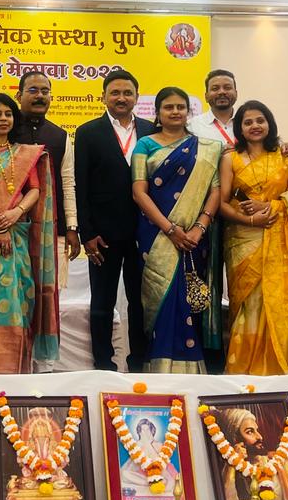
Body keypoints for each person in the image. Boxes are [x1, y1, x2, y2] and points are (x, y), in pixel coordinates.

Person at [219, 100, 288, 376]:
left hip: (283, 241)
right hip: (244, 241)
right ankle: (244, 372)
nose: (255, 126)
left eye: (260, 120)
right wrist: (250, 219)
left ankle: (278, 371)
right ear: (239, 128)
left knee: (280, 304)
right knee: (249, 305)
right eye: (248, 122)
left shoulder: (285, 156)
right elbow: (222, 203)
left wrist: (272, 206)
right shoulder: (230, 159)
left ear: (270, 124)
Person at [0, 93, 59, 374]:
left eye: (8, 114)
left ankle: (16, 371)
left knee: (19, 299)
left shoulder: (23, 153)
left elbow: (35, 190)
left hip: (18, 236)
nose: (3, 119)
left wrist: (16, 213)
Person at [131, 87, 222, 373]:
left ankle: (192, 370)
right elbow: (138, 192)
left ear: (188, 111)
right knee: (160, 298)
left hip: (195, 237)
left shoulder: (207, 147)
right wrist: (170, 229)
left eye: (180, 107)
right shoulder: (145, 144)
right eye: (168, 107)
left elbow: (215, 191)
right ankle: (159, 369)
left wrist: (200, 227)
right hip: (155, 235)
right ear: (157, 113)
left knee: (189, 300)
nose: (175, 112)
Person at [74, 70, 155, 371]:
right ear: (104, 97)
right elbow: (81, 185)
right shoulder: (87, 132)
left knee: (140, 301)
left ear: (136, 97)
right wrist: (87, 233)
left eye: (127, 93)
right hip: (102, 235)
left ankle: (139, 362)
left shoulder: (150, 130)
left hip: (144, 232)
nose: (121, 98)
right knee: (102, 303)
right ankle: (103, 364)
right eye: (115, 93)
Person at [13, 70, 80, 286]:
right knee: (15, 291)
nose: (40, 96)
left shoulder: (59, 136)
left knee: (50, 291)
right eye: (33, 90)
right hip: (13, 226)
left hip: (53, 227)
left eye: (45, 91)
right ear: (18, 96)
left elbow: (67, 184)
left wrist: (71, 227)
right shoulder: (7, 132)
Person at [215, 407, 288, 500]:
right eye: (249, 432)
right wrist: (232, 464)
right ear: (235, 438)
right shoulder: (227, 473)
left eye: (256, 430)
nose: (259, 437)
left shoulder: (284, 463)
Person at [118, 417, 179, 497]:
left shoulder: (158, 444)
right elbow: (130, 465)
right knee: (124, 474)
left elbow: (160, 462)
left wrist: (147, 443)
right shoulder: (137, 444)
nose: (145, 432)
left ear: (151, 431)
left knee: (170, 484)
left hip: (161, 472)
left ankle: (156, 481)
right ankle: (151, 482)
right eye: (142, 430)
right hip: (143, 474)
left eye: (147, 430)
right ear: (139, 432)